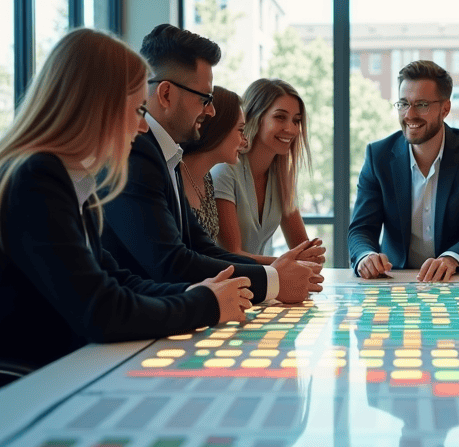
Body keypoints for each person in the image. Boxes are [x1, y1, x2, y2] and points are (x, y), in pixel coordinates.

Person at [0, 28, 253, 423]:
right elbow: (102, 311)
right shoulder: (33, 178)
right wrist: (204, 304)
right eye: (138, 110)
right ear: (100, 106)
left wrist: (198, 292)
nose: (143, 127)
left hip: (34, 388)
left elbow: (117, 280)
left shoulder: (72, 182)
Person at [100, 24, 322, 305]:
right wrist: (273, 280)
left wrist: (273, 273)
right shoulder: (137, 153)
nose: (212, 111)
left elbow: (200, 246)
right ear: (166, 94)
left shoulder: (166, 154)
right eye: (205, 99)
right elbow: (171, 263)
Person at [348, 60, 459, 282]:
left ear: (445, 108)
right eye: (403, 104)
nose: (409, 114)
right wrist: (366, 256)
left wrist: (450, 260)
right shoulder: (378, 156)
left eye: (422, 105)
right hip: (393, 279)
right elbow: (361, 229)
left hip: (453, 280)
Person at [212, 78, 326, 266]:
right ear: (254, 117)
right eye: (280, 117)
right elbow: (231, 254)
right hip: (221, 285)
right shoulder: (225, 170)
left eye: (296, 121)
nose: (291, 129)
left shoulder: (281, 178)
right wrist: (292, 261)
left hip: (256, 288)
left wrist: (312, 255)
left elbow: (302, 248)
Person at [180, 85, 247, 241]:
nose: (244, 142)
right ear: (220, 128)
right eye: (241, 130)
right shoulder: (172, 174)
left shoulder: (207, 180)